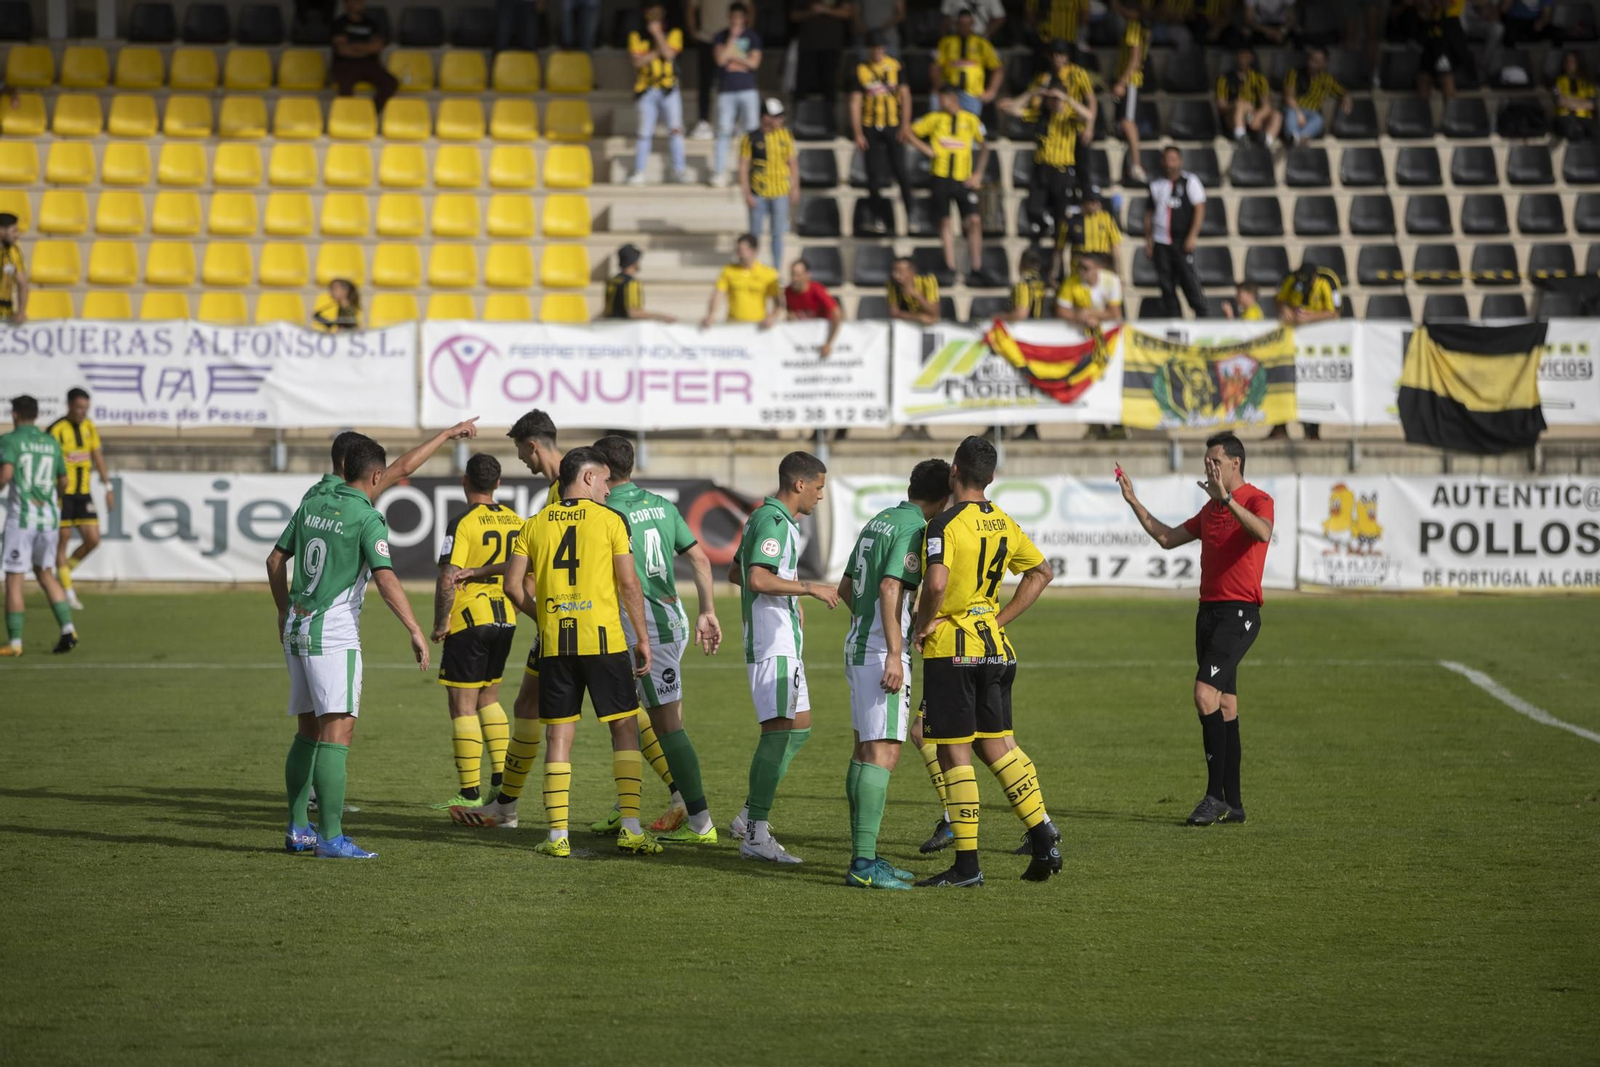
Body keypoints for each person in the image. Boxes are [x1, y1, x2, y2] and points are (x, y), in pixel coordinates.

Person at [910, 435, 1061, 886]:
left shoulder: (944, 524)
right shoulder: (1003, 521)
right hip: (995, 648)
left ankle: (967, 866)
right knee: (995, 745)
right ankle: (1044, 838)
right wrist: (997, 619)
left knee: (953, 751)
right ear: (991, 477)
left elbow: (937, 584)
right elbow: (1042, 573)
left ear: (954, 471)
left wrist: (922, 624)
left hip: (954, 651)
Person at [268, 437, 429, 859]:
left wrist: (284, 611)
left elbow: (274, 561)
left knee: (307, 731)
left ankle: (298, 829)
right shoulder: (367, 517)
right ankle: (331, 838)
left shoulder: (313, 503)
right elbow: (386, 578)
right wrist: (414, 628)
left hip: (297, 629)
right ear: (376, 476)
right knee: (338, 733)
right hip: (333, 635)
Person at [502, 447, 661, 857]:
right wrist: (643, 638)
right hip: (604, 639)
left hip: (556, 642)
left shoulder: (534, 524)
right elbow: (629, 583)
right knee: (624, 727)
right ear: (588, 477)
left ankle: (557, 836)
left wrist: (544, 617)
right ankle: (630, 828)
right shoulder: (611, 520)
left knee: (558, 735)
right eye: (605, 480)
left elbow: (512, 586)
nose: (608, 489)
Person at [1116, 432, 1273, 827]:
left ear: (1235, 463)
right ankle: (1234, 804)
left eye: (1215, 461)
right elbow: (1167, 538)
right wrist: (1133, 500)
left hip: (1239, 614)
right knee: (1225, 705)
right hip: (1208, 614)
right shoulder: (1210, 510)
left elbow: (1263, 532)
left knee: (1204, 694)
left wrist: (1228, 500)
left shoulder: (1256, 499)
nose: (1209, 467)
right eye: (1206, 462)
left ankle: (1214, 796)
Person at [587, 435, 723, 844]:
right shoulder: (662, 505)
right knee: (625, 716)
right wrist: (707, 610)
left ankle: (700, 822)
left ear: (603, 470)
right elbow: (699, 558)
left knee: (666, 725)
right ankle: (626, 806)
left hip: (644, 629)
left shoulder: (604, 510)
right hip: (670, 620)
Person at [447, 410, 574, 832]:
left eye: (521, 450)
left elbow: (533, 563)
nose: (521, 459)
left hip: (564, 619)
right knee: (526, 706)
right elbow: (534, 560)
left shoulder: (563, 492)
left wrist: (483, 576)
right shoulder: (560, 491)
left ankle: (682, 801)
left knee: (595, 721)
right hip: (565, 618)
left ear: (532, 445)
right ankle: (504, 806)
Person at [835, 458, 951, 890]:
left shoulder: (879, 520)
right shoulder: (916, 529)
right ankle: (863, 864)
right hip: (882, 652)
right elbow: (889, 586)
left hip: (859, 645)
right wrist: (894, 650)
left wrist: (871, 628)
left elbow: (846, 588)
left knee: (864, 752)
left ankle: (864, 855)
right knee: (883, 754)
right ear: (944, 498)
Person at [726, 451, 840, 863]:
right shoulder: (774, 521)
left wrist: (790, 593)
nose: (820, 496)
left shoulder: (768, 518)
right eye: (819, 487)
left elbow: (737, 572)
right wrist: (808, 588)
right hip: (771, 643)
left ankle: (746, 817)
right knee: (777, 733)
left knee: (800, 727)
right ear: (799, 484)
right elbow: (756, 577)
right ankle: (755, 834)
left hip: (783, 641)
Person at [428, 454, 524, 810]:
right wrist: (512, 609)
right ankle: (500, 783)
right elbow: (527, 575)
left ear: (464, 481)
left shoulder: (463, 522)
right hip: (505, 618)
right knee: (489, 699)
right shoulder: (517, 521)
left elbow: (448, 577)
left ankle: (469, 794)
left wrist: (441, 623)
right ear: (498, 483)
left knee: (462, 706)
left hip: (470, 619)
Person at [0, 395, 76, 657]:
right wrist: (52, 499)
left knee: (14, 578)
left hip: (22, 520)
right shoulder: (51, 442)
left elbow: (6, 474)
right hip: (49, 519)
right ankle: (68, 629)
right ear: (36, 415)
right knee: (45, 573)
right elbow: (64, 481)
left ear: (15, 414)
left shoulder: (10, 440)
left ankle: (15, 643)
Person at [909, 86, 996, 285]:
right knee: (945, 221)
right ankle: (949, 267)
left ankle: (976, 267)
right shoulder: (934, 119)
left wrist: (978, 173)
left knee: (974, 220)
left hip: (963, 178)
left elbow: (985, 146)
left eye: (942, 99)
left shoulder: (970, 120)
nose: (940, 102)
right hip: (940, 176)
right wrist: (926, 149)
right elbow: (908, 131)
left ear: (952, 98)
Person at [48, 388, 110, 611]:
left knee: (93, 540)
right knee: (62, 541)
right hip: (62, 494)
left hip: (83, 494)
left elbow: (97, 455)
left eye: (86, 408)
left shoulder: (89, 427)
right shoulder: (56, 429)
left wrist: (108, 486)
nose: (83, 412)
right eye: (79, 408)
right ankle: (68, 592)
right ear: (69, 406)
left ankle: (64, 573)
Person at [851, 30, 915, 236]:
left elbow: (905, 96)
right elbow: (855, 102)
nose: (877, 51)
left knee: (901, 171)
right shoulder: (861, 69)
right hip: (870, 125)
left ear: (884, 48)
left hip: (893, 123)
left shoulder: (895, 66)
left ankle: (911, 215)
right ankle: (879, 217)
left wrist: (905, 125)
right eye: (873, 48)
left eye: (879, 48)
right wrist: (858, 132)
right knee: (873, 174)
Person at [627, 4, 691, 186]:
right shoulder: (636, 35)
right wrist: (657, 52)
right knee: (644, 133)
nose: (654, 19)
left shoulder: (674, 33)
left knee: (676, 130)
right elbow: (637, 63)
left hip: (669, 90)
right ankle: (639, 171)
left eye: (658, 16)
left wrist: (657, 35)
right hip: (646, 90)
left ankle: (679, 170)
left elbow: (669, 55)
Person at [1144, 146, 1208, 318]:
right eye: (1167, 159)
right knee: (1166, 285)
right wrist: (1148, 240)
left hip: (1181, 241)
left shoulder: (1190, 181)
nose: (1170, 164)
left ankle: (1202, 316)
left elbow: (1200, 209)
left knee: (1189, 281)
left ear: (1180, 161)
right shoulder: (1156, 185)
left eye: (1173, 159)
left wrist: (1192, 236)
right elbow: (1149, 214)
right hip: (1161, 242)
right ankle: (1174, 319)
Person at [739, 98, 799, 270]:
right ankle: (752, 268)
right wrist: (747, 193)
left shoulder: (785, 135)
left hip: (780, 192)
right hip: (758, 192)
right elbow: (743, 167)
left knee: (777, 234)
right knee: (754, 235)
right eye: (776, 116)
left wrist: (795, 187)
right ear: (765, 117)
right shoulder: (750, 138)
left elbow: (793, 163)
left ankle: (776, 270)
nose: (780, 120)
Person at [708, 3, 762, 187]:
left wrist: (734, 58)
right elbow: (720, 60)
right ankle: (719, 172)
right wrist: (732, 39)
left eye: (740, 16)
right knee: (723, 131)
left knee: (752, 131)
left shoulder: (753, 37)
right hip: (726, 90)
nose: (736, 20)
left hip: (748, 89)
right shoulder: (721, 36)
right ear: (729, 17)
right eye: (733, 16)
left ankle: (753, 171)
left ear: (745, 18)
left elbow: (754, 64)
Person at [930, 8, 1003, 116]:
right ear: (956, 24)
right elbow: (935, 66)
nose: (964, 27)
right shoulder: (946, 42)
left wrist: (991, 91)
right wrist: (939, 85)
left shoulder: (982, 43)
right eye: (961, 24)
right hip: (949, 92)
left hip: (972, 93)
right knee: (941, 116)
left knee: (969, 123)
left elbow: (997, 68)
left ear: (972, 24)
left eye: (967, 24)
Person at [330, 0, 398, 113]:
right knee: (345, 84)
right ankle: (347, 114)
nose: (360, 3)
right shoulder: (339, 23)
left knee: (390, 82)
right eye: (356, 1)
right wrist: (367, 48)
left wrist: (355, 47)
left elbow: (377, 47)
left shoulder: (371, 24)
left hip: (369, 64)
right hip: (345, 64)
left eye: (361, 1)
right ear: (347, 4)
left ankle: (370, 112)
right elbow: (343, 50)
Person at [1111, 2, 1153, 183]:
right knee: (1125, 122)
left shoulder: (1133, 28)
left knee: (1128, 122)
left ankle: (1137, 165)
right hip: (1130, 81)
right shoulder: (1142, 27)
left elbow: (1135, 60)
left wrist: (1121, 82)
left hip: (1131, 82)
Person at [703, 233, 782, 327]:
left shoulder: (768, 273)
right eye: (737, 250)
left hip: (758, 326)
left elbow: (778, 303)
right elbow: (718, 295)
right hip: (734, 324)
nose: (739, 254)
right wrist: (711, 314)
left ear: (754, 250)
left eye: (742, 250)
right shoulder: (728, 270)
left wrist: (772, 317)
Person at [789, 0, 855, 109]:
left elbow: (848, 13)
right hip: (808, 45)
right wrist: (811, 12)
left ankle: (830, 114)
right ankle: (799, 113)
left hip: (832, 45)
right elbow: (793, 15)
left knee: (830, 82)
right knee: (803, 82)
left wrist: (825, 10)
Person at [1282, 46, 1350, 145]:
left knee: (1319, 120)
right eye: (1312, 59)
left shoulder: (1327, 79)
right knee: (1290, 114)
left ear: (1325, 63)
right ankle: (1293, 136)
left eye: (1318, 61)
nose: (1313, 63)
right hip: (1294, 108)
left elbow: (1343, 91)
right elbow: (1289, 97)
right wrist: (1299, 113)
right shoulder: (1294, 73)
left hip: (1313, 112)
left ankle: (1300, 138)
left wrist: (1346, 97)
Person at [687, 0, 735, 139]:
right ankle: (704, 121)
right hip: (707, 38)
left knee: (731, 81)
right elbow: (691, 8)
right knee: (705, 83)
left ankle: (731, 121)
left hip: (730, 38)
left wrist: (745, 32)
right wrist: (693, 31)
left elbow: (748, 8)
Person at [1216, 46, 1281, 146]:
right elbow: (1221, 106)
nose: (1243, 60)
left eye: (1246, 56)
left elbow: (1266, 105)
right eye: (1241, 56)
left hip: (1254, 117)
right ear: (1236, 57)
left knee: (1276, 115)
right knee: (1240, 105)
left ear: (1251, 58)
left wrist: (1258, 116)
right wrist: (1237, 104)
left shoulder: (1260, 79)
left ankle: (1266, 142)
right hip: (1232, 117)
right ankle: (1240, 136)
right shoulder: (1224, 79)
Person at [784, 259, 843, 359]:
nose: (794, 278)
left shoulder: (817, 290)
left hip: (822, 338)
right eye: (792, 274)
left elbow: (837, 314)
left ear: (807, 275)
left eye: (798, 275)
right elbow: (791, 314)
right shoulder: (788, 292)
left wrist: (829, 343)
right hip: (804, 344)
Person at [600, 244, 675, 322]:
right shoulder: (632, 283)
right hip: (627, 326)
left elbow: (607, 311)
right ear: (634, 263)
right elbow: (633, 313)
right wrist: (661, 316)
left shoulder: (612, 281)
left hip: (611, 325)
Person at [1055, 252, 1124, 330]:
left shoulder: (1112, 280)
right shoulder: (1070, 282)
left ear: (1098, 267)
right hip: (1081, 326)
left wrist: (1090, 313)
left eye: (1085, 268)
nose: (1081, 271)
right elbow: (1061, 311)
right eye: (1079, 267)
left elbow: (1114, 314)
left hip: (1109, 328)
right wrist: (1080, 316)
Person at [1066, 190, 1122, 284]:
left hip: (1102, 270)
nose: (1096, 204)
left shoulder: (1107, 219)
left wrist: (1118, 274)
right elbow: (1059, 250)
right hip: (1079, 273)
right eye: (1092, 201)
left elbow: (1115, 248)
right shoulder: (1071, 222)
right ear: (1084, 202)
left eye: (1098, 201)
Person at [1418, 0, 1469, 101]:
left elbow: (1445, 4)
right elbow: (1424, 11)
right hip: (1432, 35)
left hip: (1447, 37)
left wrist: (1433, 4)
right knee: (1423, 75)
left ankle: (1452, 109)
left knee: (1445, 74)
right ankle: (1421, 109)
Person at [887, 255, 942, 325]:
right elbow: (894, 313)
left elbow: (935, 313)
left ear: (912, 271)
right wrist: (918, 317)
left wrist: (916, 295)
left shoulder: (928, 281)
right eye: (894, 271)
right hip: (907, 323)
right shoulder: (892, 283)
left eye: (900, 272)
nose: (896, 276)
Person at [1554, 50, 1596, 141]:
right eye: (1567, 62)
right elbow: (1560, 101)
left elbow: (1592, 104)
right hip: (1565, 117)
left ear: (1578, 63)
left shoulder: (1587, 82)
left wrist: (1569, 101)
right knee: (1572, 130)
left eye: (1572, 62)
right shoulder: (1559, 81)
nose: (1569, 65)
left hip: (1585, 117)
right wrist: (1582, 102)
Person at [1001, 248, 1049, 321]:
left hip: (1026, 326)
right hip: (1043, 325)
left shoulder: (1023, 285)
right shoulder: (1043, 286)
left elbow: (1021, 315)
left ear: (1020, 264)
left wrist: (1000, 317)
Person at [0, 211, 28, 325]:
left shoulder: (14, 252)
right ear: (1, 231)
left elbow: (22, 283)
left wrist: (21, 311)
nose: (17, 235)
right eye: (14, 231)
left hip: (6, 315)